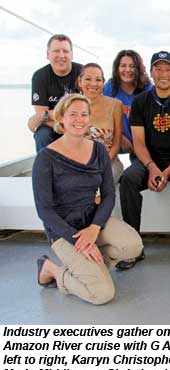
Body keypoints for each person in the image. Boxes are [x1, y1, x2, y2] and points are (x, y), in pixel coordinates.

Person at [32, 94, 143, 305]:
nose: (79, 119)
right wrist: (79, 241)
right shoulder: (46, 158)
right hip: (64, 231)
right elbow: (44, 211)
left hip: (92, 221)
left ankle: (91, 267)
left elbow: (109, 194)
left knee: (132, 247)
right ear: (61, 118)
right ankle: (53, 270)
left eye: (84, 114)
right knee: (102, 295)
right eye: (73, 114)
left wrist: (94, 228)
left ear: (89, 118)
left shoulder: (98, 150)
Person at [118, 51, 170, 271]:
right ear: (152, 72)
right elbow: (138, 142)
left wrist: (166, 172)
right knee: (128, 179)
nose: (163, 74)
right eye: (158, 69)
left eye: (168, 69)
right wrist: (153, 168)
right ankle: (133, 246)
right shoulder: (140, 101)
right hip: (149, 159)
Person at [28, 34, 83, 152]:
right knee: (41, 135)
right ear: (47, 54)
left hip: (79, 124)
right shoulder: (40, 76)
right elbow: (42, 115)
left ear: (72, 55)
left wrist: (71, 124)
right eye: (56, 51)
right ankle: (45, 169)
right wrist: (65, 128)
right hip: (52, 125)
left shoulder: (82, 73)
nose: (61, 55)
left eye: (66, 51)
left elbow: (90, 108)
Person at [78, 63, 124, 182]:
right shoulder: (70, 104)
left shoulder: (115, 105)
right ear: (80, 82)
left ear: (103, 83)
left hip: (109, 161)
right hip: (78, 161)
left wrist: (102, 164)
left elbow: (116, 142)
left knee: (98, 181)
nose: (93, 84)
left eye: (98, 79)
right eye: (88, 79)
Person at [102, 50, 152, 156]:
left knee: (138, 170)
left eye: (132, 66)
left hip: (144, 142)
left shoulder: (148, 88)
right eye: (123, 66)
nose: (127, 70)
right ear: (117, 68)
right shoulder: (110, 88)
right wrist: (119, 137)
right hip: (117, 138)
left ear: (139, 69)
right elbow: (103, 117)